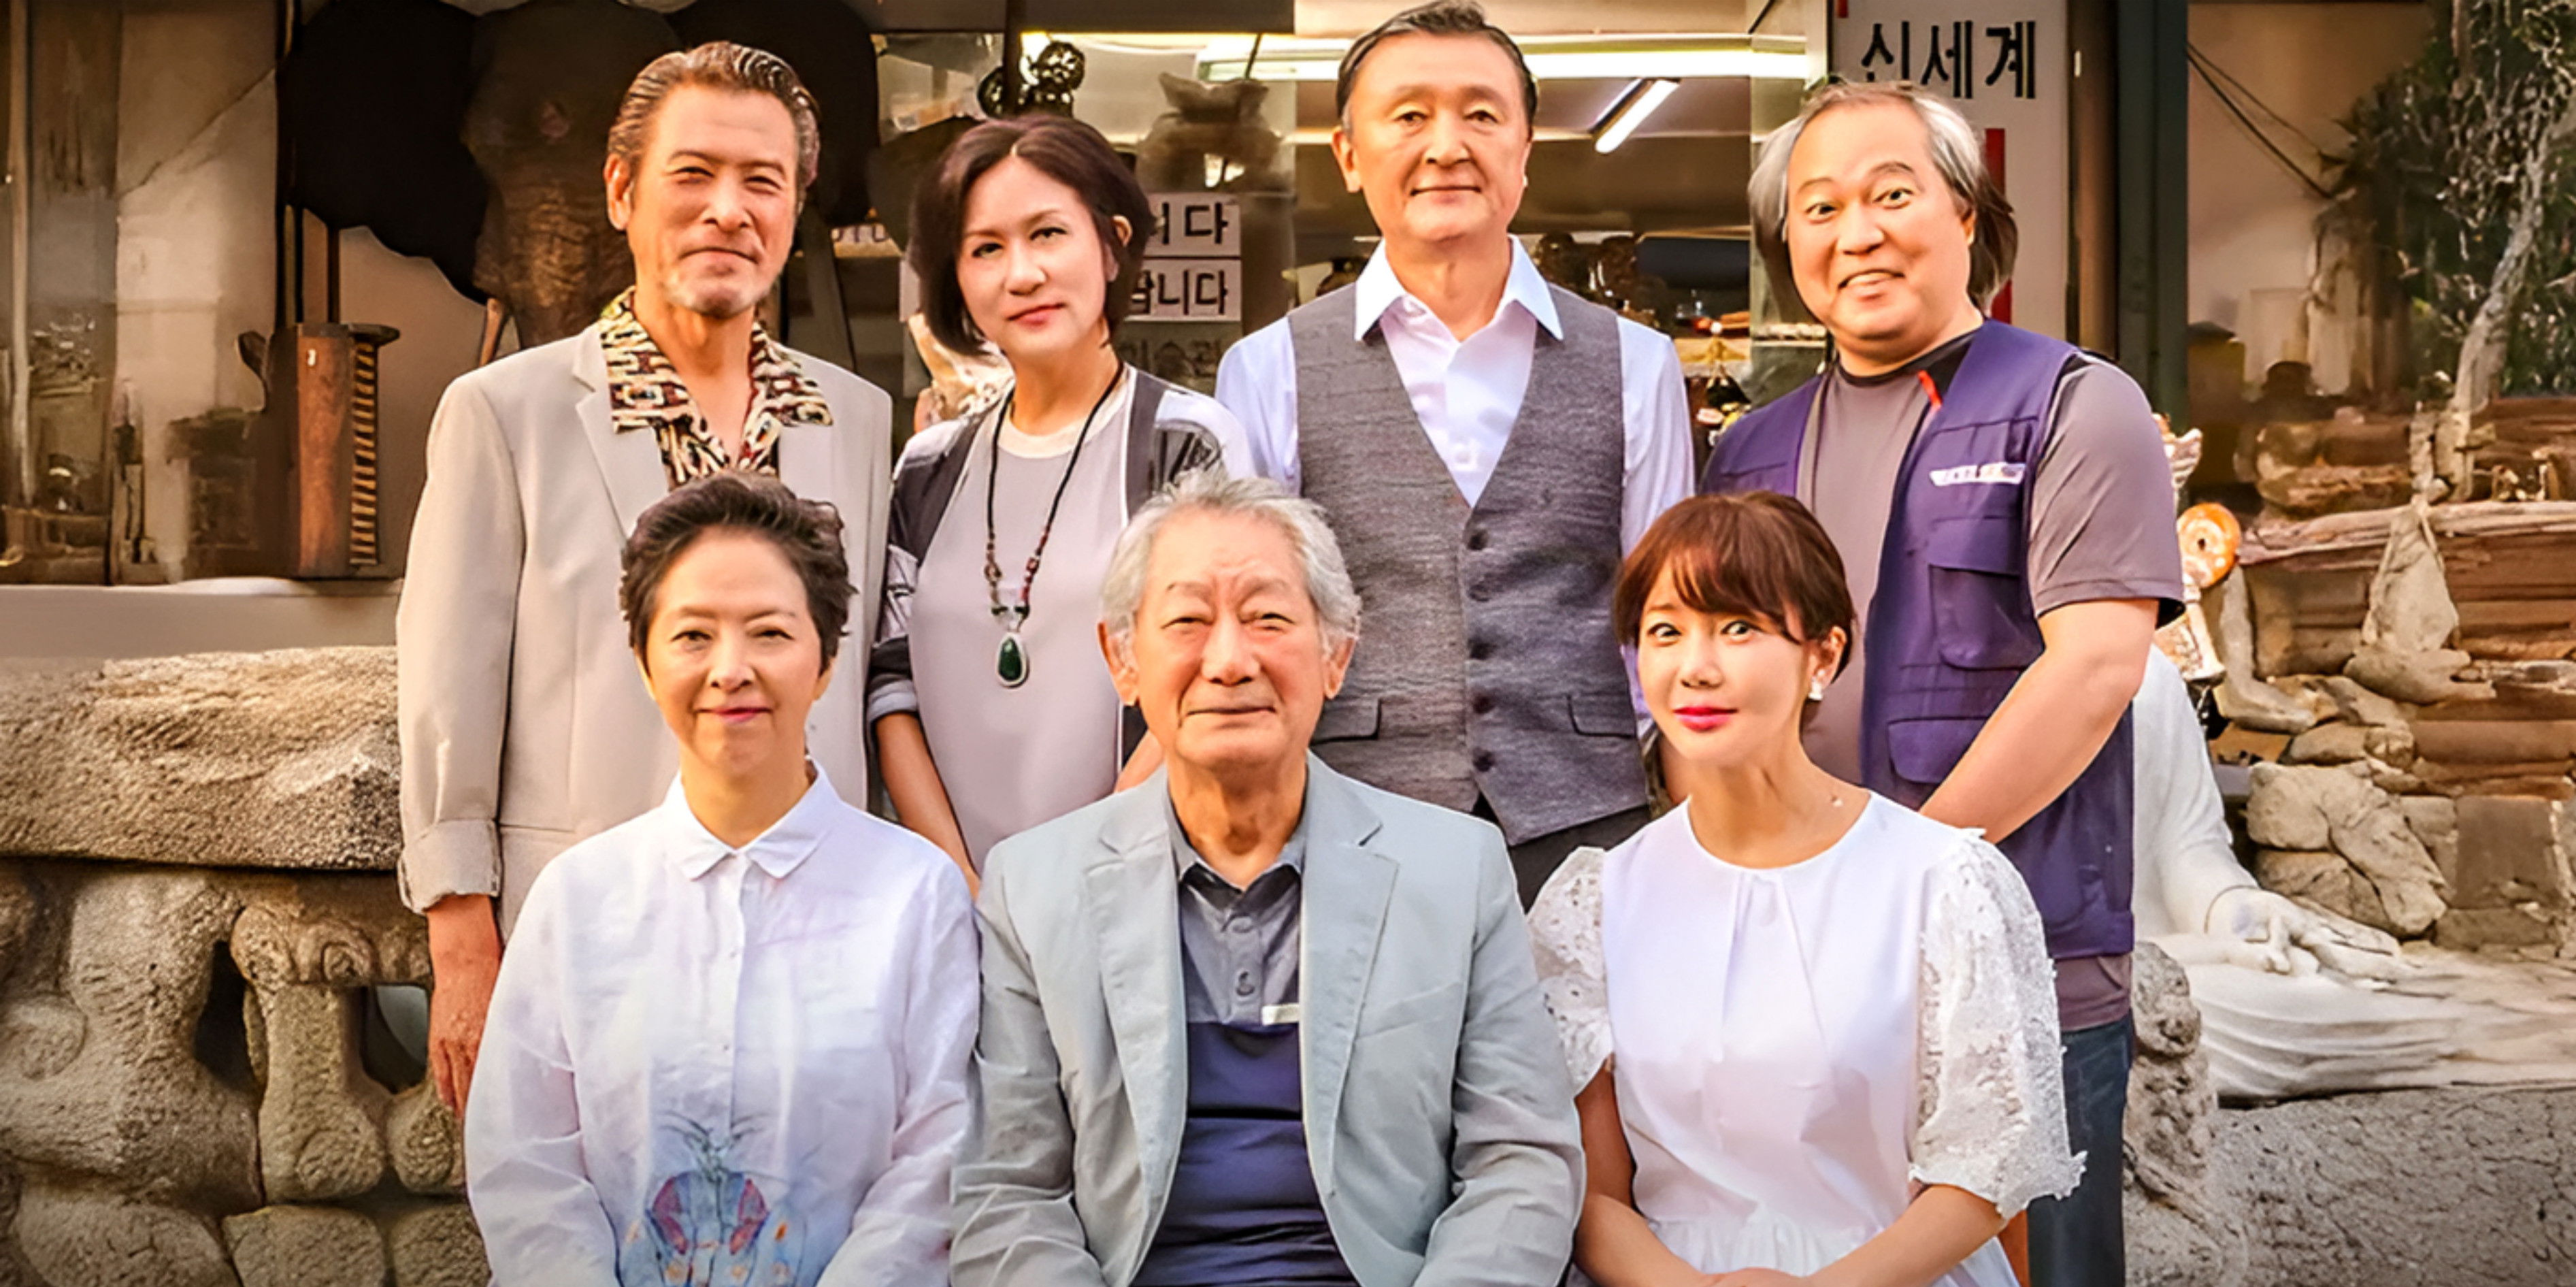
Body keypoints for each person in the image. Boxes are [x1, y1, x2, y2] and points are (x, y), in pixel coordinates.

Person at [1700, 81, 2182, 1287]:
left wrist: (1893, 885)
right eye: (1819, 208)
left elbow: (2095, 667)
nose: (1857, 231)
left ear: (1968, 215)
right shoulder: (1751, 451)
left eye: (1893, 192)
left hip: (2028, 967)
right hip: (1802, 978)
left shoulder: (2074, 404)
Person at [948, 469, 1584, 1287]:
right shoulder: (1035, 884)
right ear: (1122, 659)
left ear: (1337, 655)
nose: (1230, 659)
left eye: (1269, 618)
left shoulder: (1452, 867)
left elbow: (1524, 1156)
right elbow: (1006, 1184)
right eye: (1187, 621)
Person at [417, 474, 993, 1287]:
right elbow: (523, 1150)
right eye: (692, 636)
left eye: (769, 633)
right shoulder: (579, 896)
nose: (731, 669)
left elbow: (946, 1145)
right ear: (645, 662)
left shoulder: (915, 892)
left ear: (825, 662)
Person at [1530, 492, 2082, 1287]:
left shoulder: (1941, 881)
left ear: (1823, 655)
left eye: (1739, 628)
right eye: (1666, 631)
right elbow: (1592, 1193)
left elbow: (1984, 1173)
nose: (1696, 666)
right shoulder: (1595, 902)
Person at [397, 42, 896, 1115]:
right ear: (622, 192)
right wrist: (461, 940)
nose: (728, 210)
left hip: (813, 939)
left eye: (763, 180)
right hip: (584, 936)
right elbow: (447, 690)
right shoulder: (507, 415)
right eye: (693, 174)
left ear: (796, 206)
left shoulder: (853, 418)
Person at [1214, 0, 1694, 904]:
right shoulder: (1268, 368)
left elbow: (1667, 612)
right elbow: (1260, 621)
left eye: (1481, 114)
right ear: (1349, 155)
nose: (1446, 146)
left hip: (1590, 832)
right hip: (1353, 830)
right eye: (1409, 116)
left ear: (1524, 149)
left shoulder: (1638, 363)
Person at [874, 114, 1255, 889]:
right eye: (986, 248)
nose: (1022, 274)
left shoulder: (1184, 445)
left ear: (1112, 245)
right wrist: (960, 886)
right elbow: (890, 688)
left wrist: (1072, 884)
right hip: (952, 898)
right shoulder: (927, 468)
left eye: (1048, 234)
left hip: (1133, 887)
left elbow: (1208, 677)